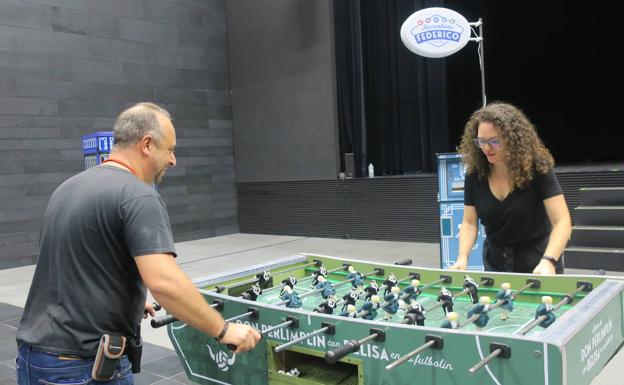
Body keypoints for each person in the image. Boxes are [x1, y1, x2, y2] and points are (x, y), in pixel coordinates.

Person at [15, 103, 260, 385]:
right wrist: (223, 330)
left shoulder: (67, 188)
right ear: (146, 144)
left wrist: (124, 297)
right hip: (83, 368)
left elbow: (74, 263)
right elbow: (165, 283)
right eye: (170, 149)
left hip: (36, 359)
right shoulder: (139, 196)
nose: (173, 160)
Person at [450, 102, 572, 274]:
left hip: (540, 264)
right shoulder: (475, 174)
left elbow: (562, 222)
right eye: (481, 141)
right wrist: (462, 257)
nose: (486, 148)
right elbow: (469, 223)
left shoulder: (537, 169)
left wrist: (549, 261)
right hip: (496, 265)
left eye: (494, 141)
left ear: (513, 139)